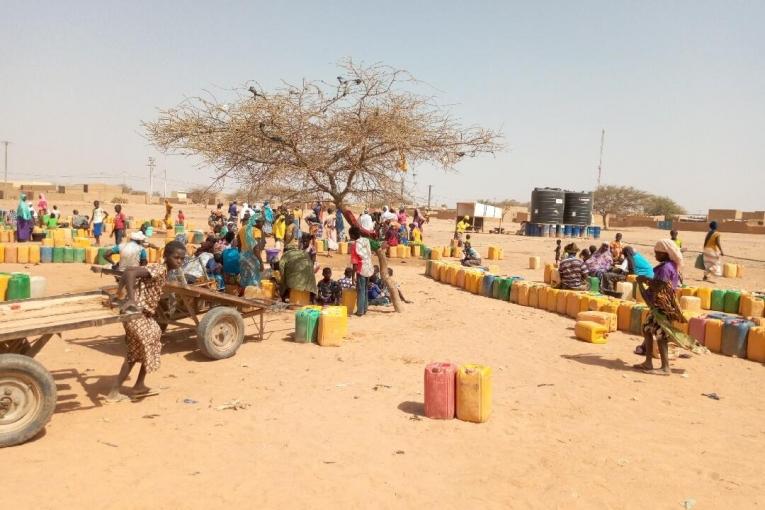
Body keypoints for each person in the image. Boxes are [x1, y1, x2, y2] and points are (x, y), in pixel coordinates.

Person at [104, 240, 185, 401]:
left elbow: (129, 272)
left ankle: (128, 388)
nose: (180, 261)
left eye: (182, 259)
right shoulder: (159, 268)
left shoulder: (164, 271)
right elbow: (129, 272)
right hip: (137, 314)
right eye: (176, 258)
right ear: (165, 256)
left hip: (140, 314)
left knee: (135, 353)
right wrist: (131, 300)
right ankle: (132, 387)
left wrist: (120, 292)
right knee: (151, 340)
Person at [633, 240, 701, 374]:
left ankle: (665, 367)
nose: (655, 255)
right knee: (647, 329)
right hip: (657, 305)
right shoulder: (668, 265)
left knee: (661, 335)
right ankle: (648, 363)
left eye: (657, 253)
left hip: (663, 306)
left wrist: (644, 280)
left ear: (665, 253)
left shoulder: (666, 268)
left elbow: (660, 285)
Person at [349, 226, 374, 316]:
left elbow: (355, 263)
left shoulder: (355, 245)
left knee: (361, 290)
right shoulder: (366, 240)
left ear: (352, 235)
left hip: (361, 269)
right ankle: (365, 308)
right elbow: (369, 253)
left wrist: (353, 277)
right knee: (366, 289)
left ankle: (360, 311)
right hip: (368, 267)